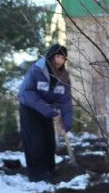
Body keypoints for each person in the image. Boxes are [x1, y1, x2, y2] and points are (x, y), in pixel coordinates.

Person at [17, 44, 74, 182]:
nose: (59, 60)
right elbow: (27, 92)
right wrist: (49, 110)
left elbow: (65, 100)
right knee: (35, 140)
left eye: (62, 57)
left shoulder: (64, 77)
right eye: (57, 56)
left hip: (47, 110)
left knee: (48, 140)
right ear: (50, 56)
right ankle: (37, 173)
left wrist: (67, 121)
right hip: (29, 109)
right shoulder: (37, 70)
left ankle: (49, 168)